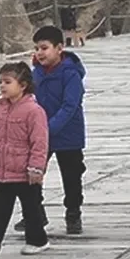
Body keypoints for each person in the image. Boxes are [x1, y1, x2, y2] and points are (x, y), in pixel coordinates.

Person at [0, 62, 50, 259]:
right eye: (0, 82)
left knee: (31, 208)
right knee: (1, 209)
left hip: (25, 171)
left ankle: (38, 240)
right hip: (4, 170)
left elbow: (40, 142)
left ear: (22, 85)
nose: (2, 86)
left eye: (7, 82)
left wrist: (36, 167)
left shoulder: (34, 111)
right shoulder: (0, 109)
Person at [16, 26, 87, 235]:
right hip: (40, 134)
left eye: (45, 48)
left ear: (59, 48)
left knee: (71, 177)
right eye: (37, 48)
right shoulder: (36, 73)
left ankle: (73, 213)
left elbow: (70, 106)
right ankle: (35, 212)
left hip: (68, 134)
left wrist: (49, 128)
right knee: (31, 173)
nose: (40, 53)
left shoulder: (70, 73)